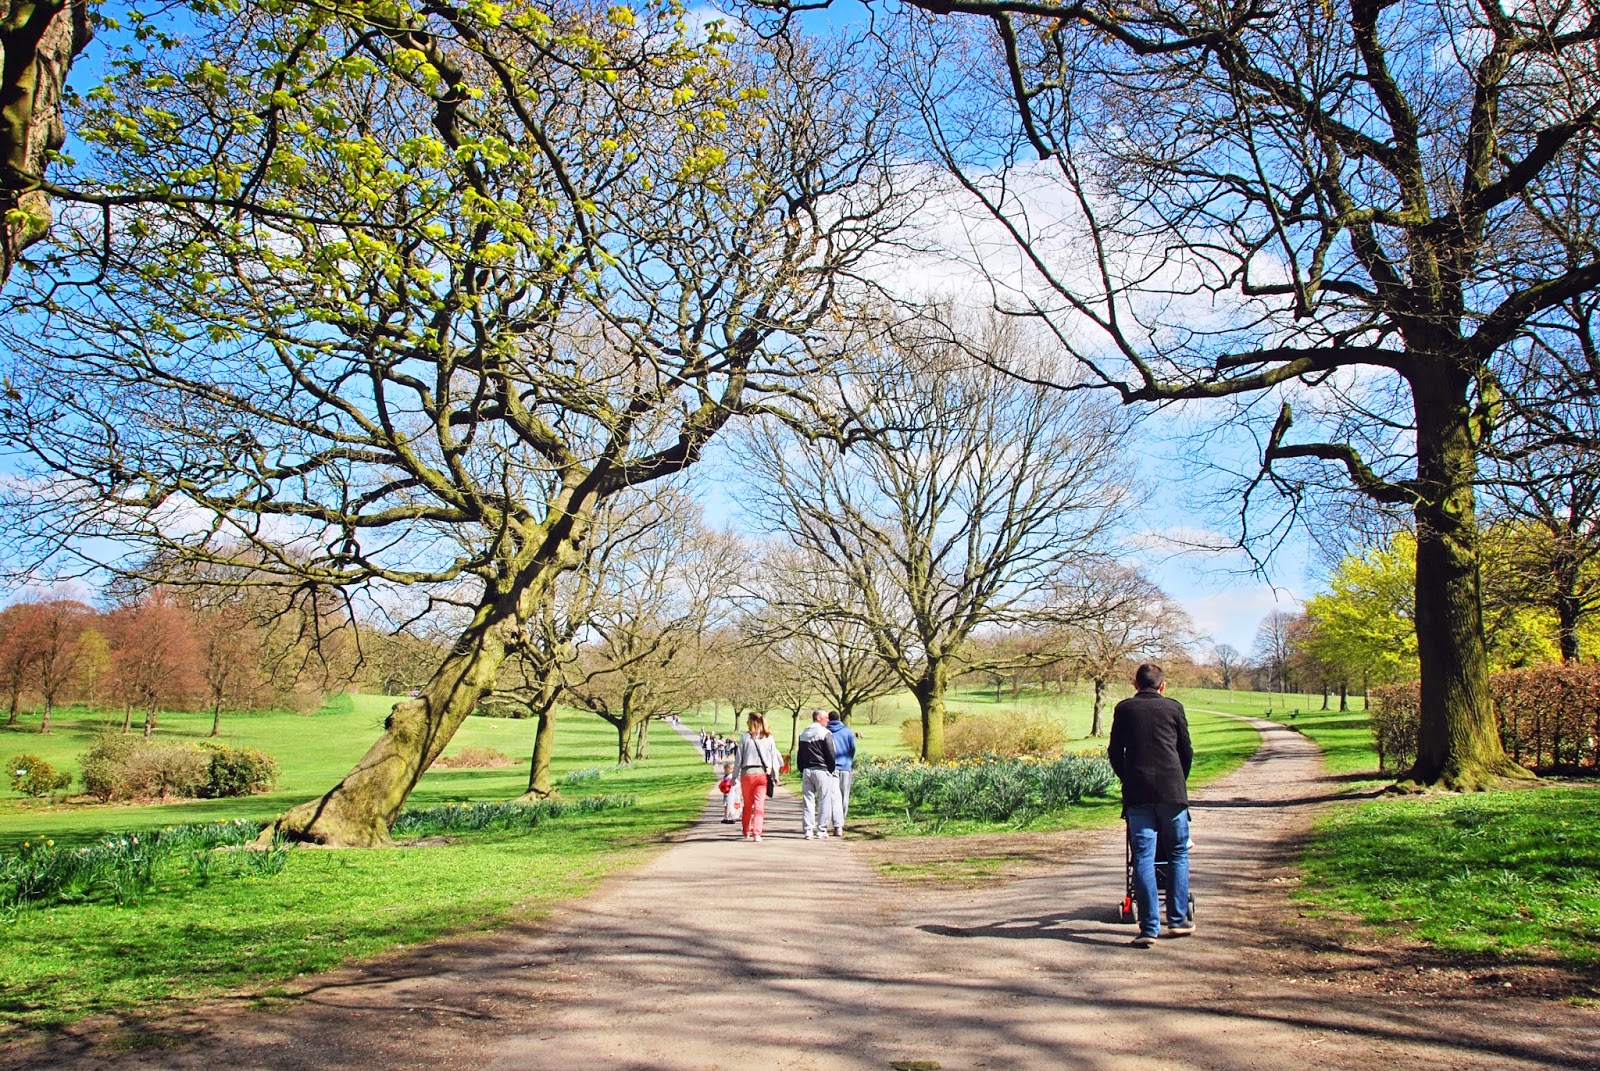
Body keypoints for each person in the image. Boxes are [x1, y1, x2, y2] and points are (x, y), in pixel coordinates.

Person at [1108, 662, 1195, 948]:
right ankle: (1179, 920)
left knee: (1143, 858)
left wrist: (1128, 777)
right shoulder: (1174, 708)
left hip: (1138, 793)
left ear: (1135, 684)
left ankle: (1149, 928)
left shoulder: (1124, 709)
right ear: (1163, 685)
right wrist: (1179, 779)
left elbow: (1114, 752)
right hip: (1172, 792)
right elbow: (1186, 751)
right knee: (1178, 853)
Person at [736, 713, 783, 842]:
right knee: (759, 805)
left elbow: (738, 759)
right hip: (762, 774)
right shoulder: (769, 737)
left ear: (751, 722)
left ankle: (746, 831)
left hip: (747, 774)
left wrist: (734, 777)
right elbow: (774, 758)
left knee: (747, 804)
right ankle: (757, 833)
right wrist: (776, 776)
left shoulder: (745, 737)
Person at [796, 709, 841, 840]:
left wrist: (801, 768)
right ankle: (821, 829)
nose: (828, 720)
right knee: (824, 800)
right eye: (826, 717)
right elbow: (830, 753)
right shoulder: (825, 733)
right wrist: (831, 769)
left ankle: (808, 830)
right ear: (819, 718)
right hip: (822, 770)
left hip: (807, 770)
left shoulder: (804, 733)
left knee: (808, 801)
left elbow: (800, 754)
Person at [826, 710, 856, 836]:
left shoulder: (826, 731)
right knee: (844, 795)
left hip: (831, 767)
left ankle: (835, 821)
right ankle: (841, 820)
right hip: (845, 766)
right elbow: (852, 748)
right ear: (839, 718)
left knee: (832, 796)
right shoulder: (847, 731)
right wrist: (849, 760)